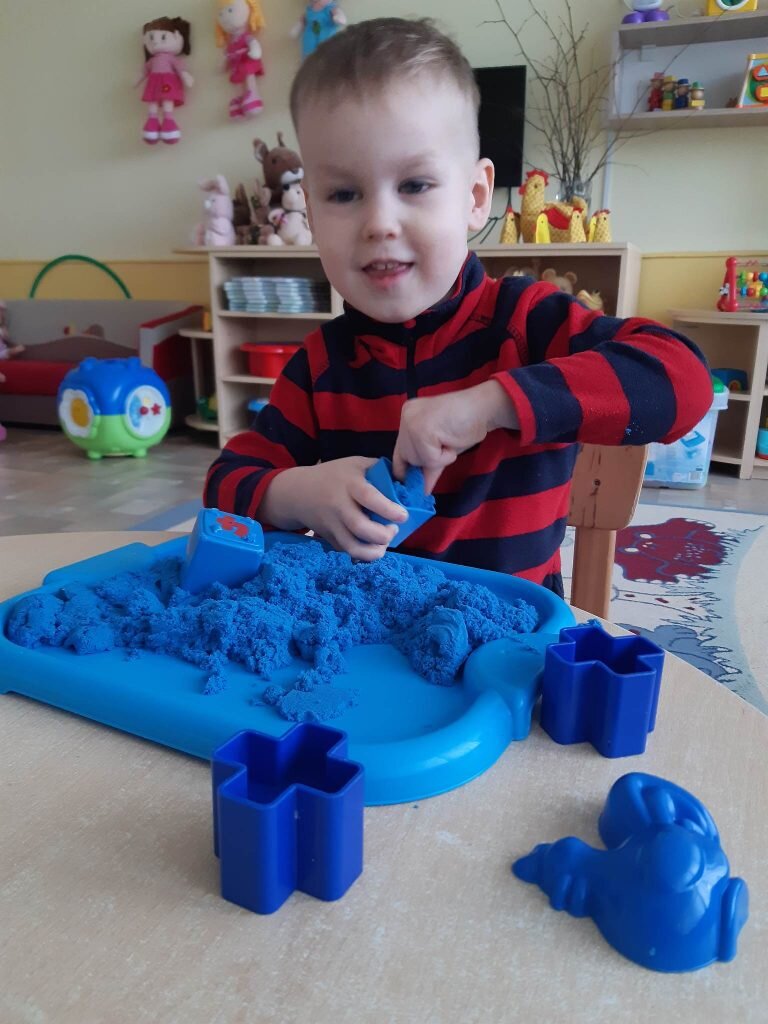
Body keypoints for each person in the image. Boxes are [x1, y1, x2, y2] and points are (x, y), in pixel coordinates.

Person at [204, 17, 711, 596]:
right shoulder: (319, 368)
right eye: (344, 194)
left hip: (514, 636)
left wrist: (492, 404)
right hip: (373, 637)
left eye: (415, 185)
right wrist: (295, 493)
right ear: (312, 218)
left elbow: (686, 382)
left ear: (474, 197)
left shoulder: (526, 323)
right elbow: (224, 485)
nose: (379, 223)